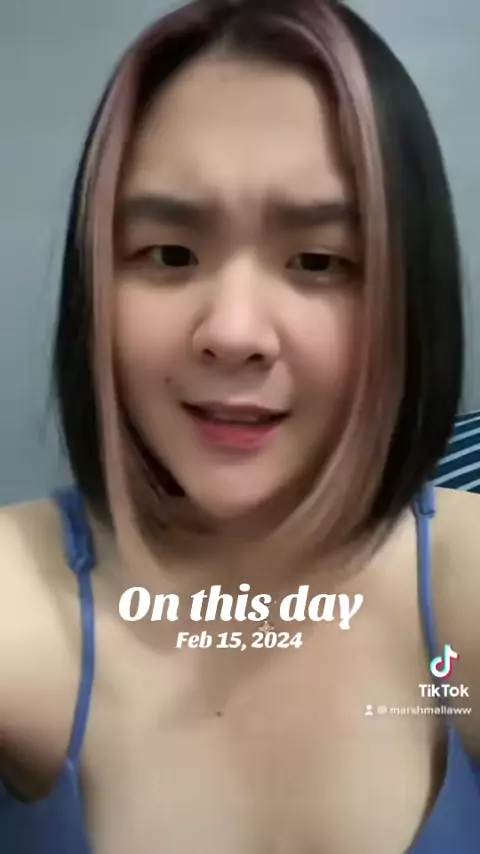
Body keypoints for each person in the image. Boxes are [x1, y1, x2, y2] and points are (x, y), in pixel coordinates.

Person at [0, 0, 479, 851]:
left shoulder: (463, 585)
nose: (232, 332)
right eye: (170, 254)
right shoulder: (21, 594)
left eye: (318, 261)